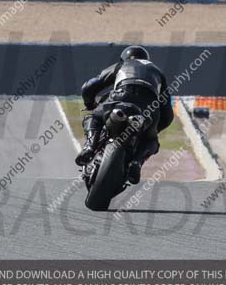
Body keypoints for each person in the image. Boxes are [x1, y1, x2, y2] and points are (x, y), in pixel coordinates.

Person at [74, 45, 174, 184]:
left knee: (94, 117)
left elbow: (88, 87)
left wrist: (89, 104)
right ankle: (136, 163)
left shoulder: (122, 65)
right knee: (151, 141)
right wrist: (153, 129)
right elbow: (168, 115)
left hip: (121, 97)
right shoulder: (158, 73)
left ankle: (90, 147)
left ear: (125, 58)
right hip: (148, 107)